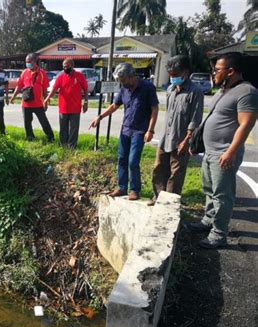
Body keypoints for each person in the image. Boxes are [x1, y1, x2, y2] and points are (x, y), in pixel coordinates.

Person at [186, 52, 258, 249]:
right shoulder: (223, 91)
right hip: (210, 152)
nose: (214, 73)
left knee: (222, 195)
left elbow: (246, 125)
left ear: (231, 71)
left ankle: (218, 234)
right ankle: (208, 221)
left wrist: (231, 152)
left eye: (217, 69)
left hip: (224, 153)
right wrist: (198, 143)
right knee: (209, 190)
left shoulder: (247, 92)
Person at [89, 63, 159, 201]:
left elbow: (154, 109)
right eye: (120, 81)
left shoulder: (147, 87)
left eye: (123, 80)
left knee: (133, 161)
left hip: (140, 130)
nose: (122, 83)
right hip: (126, 129)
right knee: (122, 159)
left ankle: (134, 189)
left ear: (132, 76)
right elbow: (115, 105)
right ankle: (122, 188)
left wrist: (150, 130)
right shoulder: (124, 89)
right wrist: (100, 117)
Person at [149, 55, 204, 206]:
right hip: (166, 138)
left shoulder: (195, 92)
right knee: (159, 169)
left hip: (181, 140)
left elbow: (195, 120)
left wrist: (186, 141)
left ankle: (169, 203)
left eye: (175, 75)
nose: (172, 78)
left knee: (176, 174)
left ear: (185, 72)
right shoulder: (170, 89)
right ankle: (158, 198)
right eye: (170, 75)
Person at [43, 58, 88, 149]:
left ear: (72, 66)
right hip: (63, 108)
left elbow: (86, 90)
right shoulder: (61, 77)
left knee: (74, 129)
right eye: (63, 66)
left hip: (75, 108)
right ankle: (63, 146)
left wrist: (85, 102)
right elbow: (54, 90)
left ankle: (72, 147)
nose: (65, 68)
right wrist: (46, 99)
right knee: (63, 129)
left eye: (67, 66)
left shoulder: (80, 76)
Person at [10, 53, 55, 142]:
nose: (27, 64)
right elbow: (19, 86)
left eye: (29, 62)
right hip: (26, 103)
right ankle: (30, 137)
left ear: (35, 62)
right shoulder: (24, 72)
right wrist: (13, 96)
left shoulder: (42, 73)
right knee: (27, 122)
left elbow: (45, 89)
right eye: (26, 62)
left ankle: (51, 138)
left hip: (38, 103)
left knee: (44, 122)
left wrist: (45, 101)